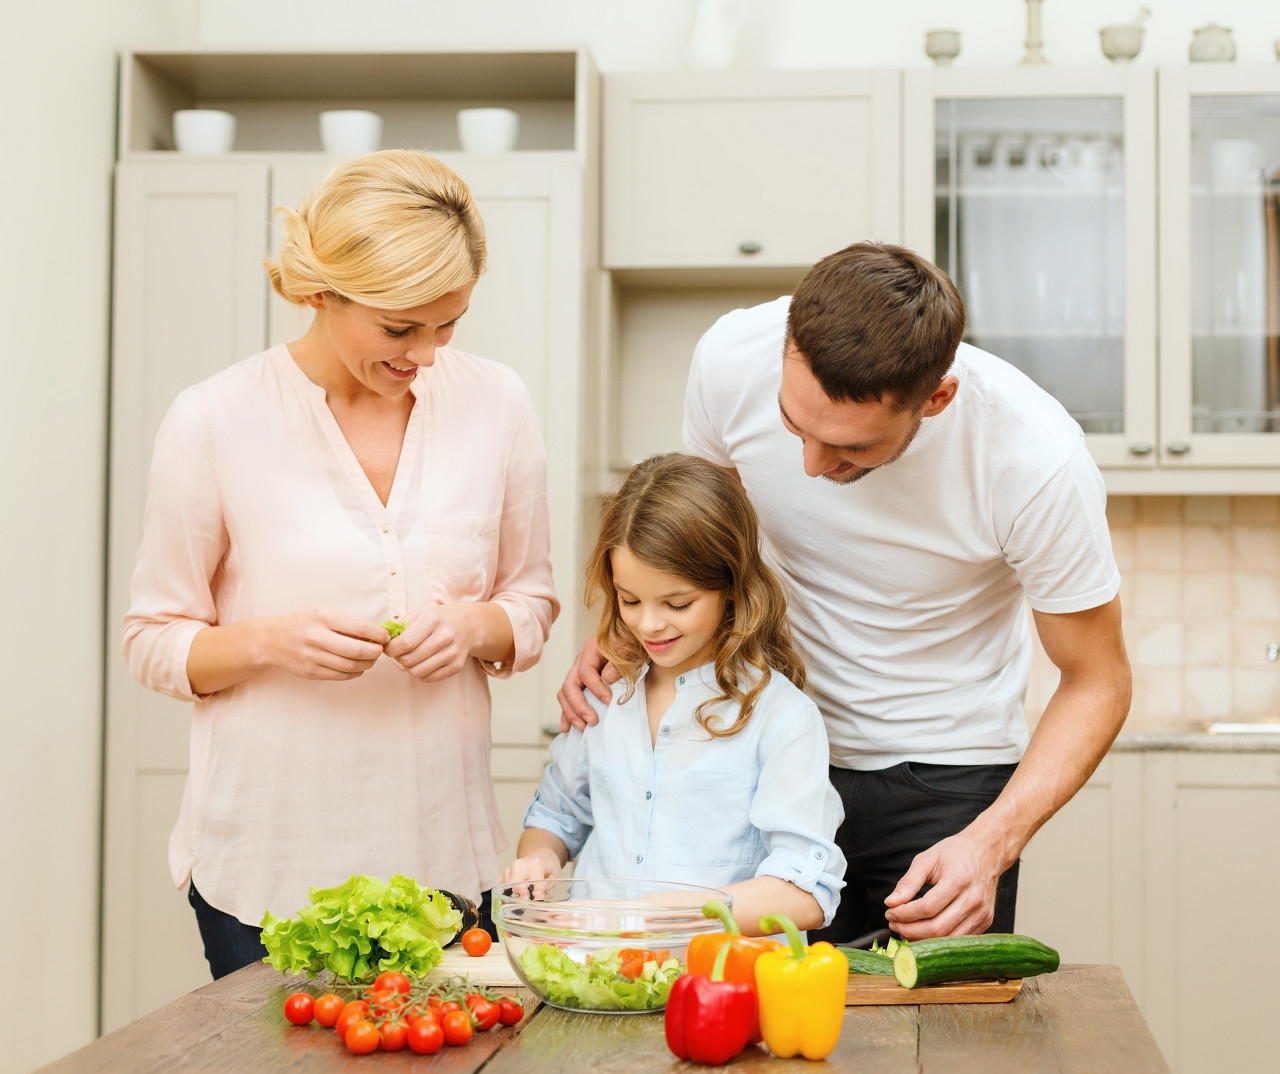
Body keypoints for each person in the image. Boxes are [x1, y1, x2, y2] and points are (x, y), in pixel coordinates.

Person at [559, 242, 1131, 944]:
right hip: (766, 750)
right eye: (794, 426)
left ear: (938, 397)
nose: (808, 463)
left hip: (945, 781)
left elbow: (1097, 679)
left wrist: (990, 843)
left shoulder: (1034, 461)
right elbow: (706, 549)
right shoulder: (731, 357)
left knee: (934, 1045)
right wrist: (624, 638)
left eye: (850, 450)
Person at [123, 150, 558, 978]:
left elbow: (531, 599)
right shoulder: (213, 419)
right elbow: (151, 637)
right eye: (400, 327)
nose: (427, 353)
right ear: (319, 291)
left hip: (444, 860)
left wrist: (475, 626)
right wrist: (268, 642)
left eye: (450, 323)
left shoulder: (497, 403)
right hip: (268, 866)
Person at [505, 453, 845, 933]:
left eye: (677, 603)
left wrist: (648, 917)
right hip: (594, 971)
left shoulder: (782, 717)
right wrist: (539, 858)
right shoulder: (606, 691)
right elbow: (556, 816)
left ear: (731, 584)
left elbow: (802, 892)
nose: (648, 623)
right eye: (629, 600)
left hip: (714, 982)